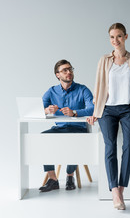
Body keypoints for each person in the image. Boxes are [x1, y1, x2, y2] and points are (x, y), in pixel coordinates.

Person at [87, 23, 130, 210]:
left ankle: (121, 188)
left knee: (129, 145)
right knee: (110, 146)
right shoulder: (104, 60)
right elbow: (98, 87)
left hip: (129, 108)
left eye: (119, 36)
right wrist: (95, 111)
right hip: (107, 110)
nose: (115, 41)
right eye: (112, 37)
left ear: (126, 37)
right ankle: (114, 190)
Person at [39, 59, 94, 192]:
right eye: (65, 70)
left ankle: (70, 176)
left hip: (79, 129)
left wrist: (74, 113)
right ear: (58, 75)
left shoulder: (83, 89)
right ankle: (53, 179)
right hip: (60, 128)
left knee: (73, 140)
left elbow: (93, 109)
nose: (69, 72)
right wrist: (47, 110)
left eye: (70, 69)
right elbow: (37, 107)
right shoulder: (52, 91)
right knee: (42, 138)